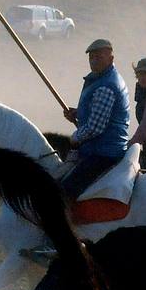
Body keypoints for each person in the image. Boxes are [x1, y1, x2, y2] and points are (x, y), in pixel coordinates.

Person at [59, 39, 132, 199]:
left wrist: (74, 138)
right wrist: (78, 113)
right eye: (91, 57)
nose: (93, 60)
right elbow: (99, 112)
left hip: (103, 152)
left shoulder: (106, 85)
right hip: (100, 148)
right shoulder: (102, 78)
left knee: (64, 192)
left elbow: (95, 128)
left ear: (111, 59)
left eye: (98, 57)